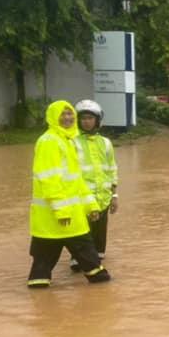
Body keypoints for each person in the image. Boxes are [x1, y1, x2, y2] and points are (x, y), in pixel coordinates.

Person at [27, 101, 110, 288]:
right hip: (56, 216)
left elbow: (76, 180)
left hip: (67, 217)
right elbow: (48, 179)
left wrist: (91, 205)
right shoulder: (49, 142)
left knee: (43, 269)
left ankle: (40, 299)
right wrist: (61, 210)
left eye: (70, 114)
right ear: (53, 118)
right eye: (62, 115)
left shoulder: (67, 140)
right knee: (47, 264)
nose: (67, 118)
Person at [72, 100, 119, 270]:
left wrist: (114, 196)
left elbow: (112, 169)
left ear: (97, 120)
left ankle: (97, 260)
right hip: (82, 198)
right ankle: (78, 260)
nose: (86, 121)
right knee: (82, 232)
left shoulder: (106, 143)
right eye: (83, 118)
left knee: (100, 237)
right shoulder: (72, 142)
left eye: (90, 118)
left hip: (103, 197)